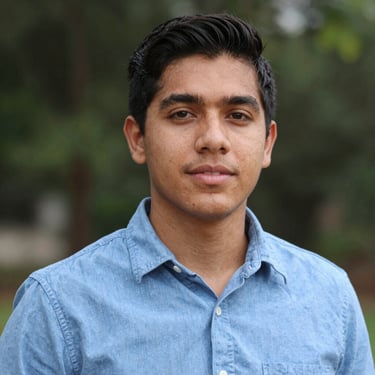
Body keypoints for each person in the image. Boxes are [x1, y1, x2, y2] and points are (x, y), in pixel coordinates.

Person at [0, 13, 373, 374]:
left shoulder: (330, 297)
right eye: (182, 114)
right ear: (138, 138)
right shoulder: (57, 306)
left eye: (237, 115)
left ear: (267, 144)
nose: (213, 139)